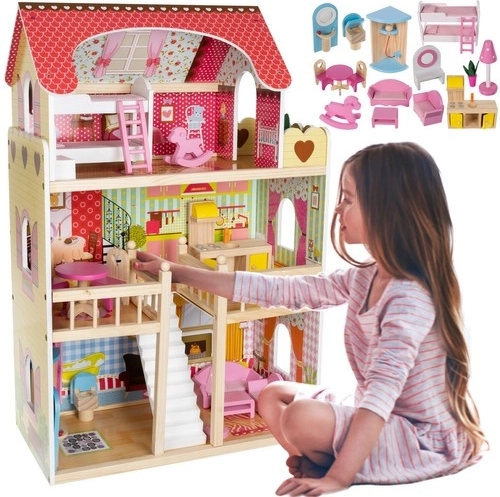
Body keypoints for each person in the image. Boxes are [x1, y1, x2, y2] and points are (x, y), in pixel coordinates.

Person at [133, 142, 487, 495]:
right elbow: (285, 291)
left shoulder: (409, 298)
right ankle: (319, 463)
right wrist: (178, 271)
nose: (338, 208)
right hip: (373, 414)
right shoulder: (366, 277)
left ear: (386, 211)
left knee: (301, 416)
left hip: (416, 438)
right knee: (272, 395)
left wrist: (339, 479)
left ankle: (337, 467)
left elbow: (381, 395)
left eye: (348, 199)